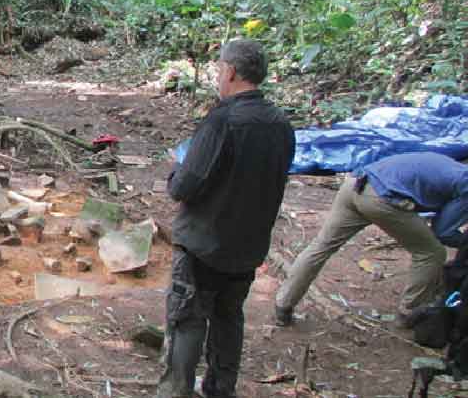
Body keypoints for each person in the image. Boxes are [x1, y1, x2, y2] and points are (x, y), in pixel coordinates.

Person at [157, 39, 295, 398]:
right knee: (229, 317)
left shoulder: (223, 120)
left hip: (203, 244)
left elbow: (185, 186)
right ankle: (220, 388)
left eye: (220, 69)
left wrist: (176, 171)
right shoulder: (280, 123)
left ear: (231, 72)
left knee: (187, 319)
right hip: (247, 246)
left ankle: (176, 390)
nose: (219, 76)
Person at [274, 152, 468, 328]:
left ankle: (283, 305)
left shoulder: (454, 169)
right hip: (382, 199)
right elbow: (443, 231)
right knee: (432, 253)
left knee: (321, 246)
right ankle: (409, 313)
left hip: (356, 183)